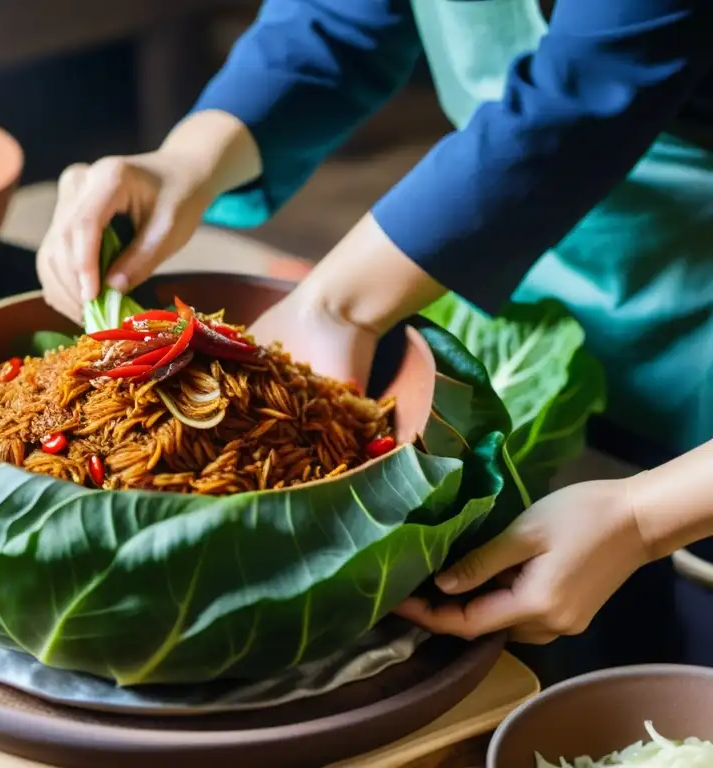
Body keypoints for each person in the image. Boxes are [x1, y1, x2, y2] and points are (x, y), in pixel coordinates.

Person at [36, 0, 713, 665]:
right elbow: (339, 16)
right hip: (532, 292)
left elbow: (588, 88)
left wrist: (645, 517)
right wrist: (186, 159)